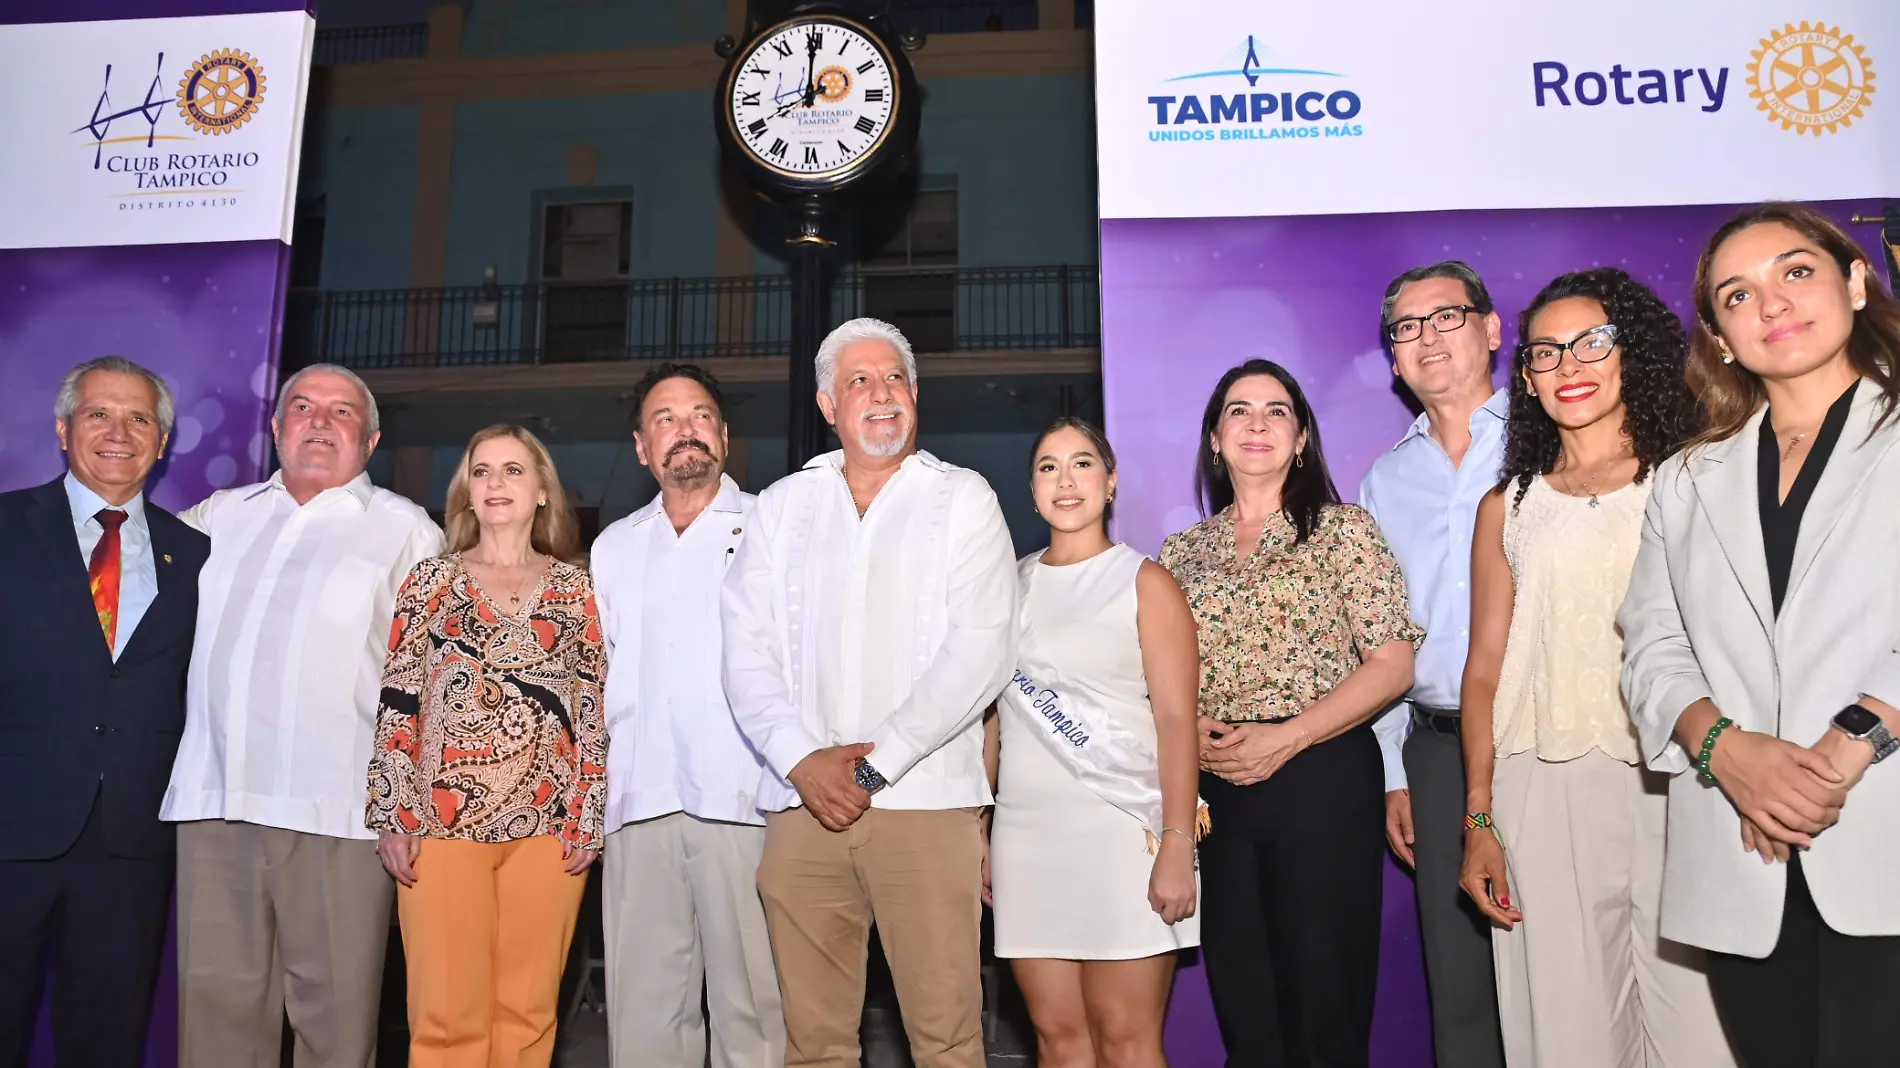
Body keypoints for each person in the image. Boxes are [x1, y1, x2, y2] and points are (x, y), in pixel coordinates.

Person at [1620, 202, 1900, 1068]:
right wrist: (1725, 752)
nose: (1772, 302)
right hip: (1739, 855)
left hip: (1881, 822)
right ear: (1722, 337)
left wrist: (1850, 745)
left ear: (1856, 281)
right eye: (1738, 295)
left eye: (1796, 272)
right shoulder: (1687, 478)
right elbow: (1650, 643)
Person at [722, 317, 1017, 1068]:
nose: (879, 394)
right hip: (802, 811)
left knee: (947, 1039)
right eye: (859, 380)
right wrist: (799, 759)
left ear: (915, 395)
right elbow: (743, 649)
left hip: (925, 802)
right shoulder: (781, 506)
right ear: (828, 405)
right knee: (814, 1045)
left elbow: (981, 650)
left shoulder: (963, 498)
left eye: (893, 379)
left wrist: (873, 765)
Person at [1456, 269, 1731, 1066]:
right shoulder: (1507, 506)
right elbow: (1483, 670)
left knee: (1705, 1032)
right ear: (1529, 377)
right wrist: (1479, 819)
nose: (1569, 364)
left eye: (1591, 343)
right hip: (1541, 785)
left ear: (1632, 353)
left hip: (1687, 779)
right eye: (1546, 352)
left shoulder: (1698, 476)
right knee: (1568, 1033)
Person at [163, 363, 445, 1067]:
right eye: (303, 406)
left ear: (371, 439)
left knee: (337, 1032)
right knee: (215, 1029)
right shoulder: (215, 517)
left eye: (342, 411)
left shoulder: (407, 531)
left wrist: (405, 807)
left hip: (341, 816)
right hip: (215, 805)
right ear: (276, 426)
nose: (320, 421)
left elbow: (433, 684)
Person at [1160, 359, 1422, 1067]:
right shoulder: (1181, 554)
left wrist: (1289, 736)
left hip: (1322, 779)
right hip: (1219, 795)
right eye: (1239, 411)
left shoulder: (1345, 531)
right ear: (1214, 437)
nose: (1257, 424)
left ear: (1301, 437)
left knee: (1324, 1007)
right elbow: (1159, 680)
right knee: (1247, 1011)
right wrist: (1190, 736)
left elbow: (1393, 662)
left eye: (1277, 411)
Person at [368, 423, 606, 1067]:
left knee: (528, 1012)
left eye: (512, 470)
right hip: (440, 828)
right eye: (481, 471)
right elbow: (398, 700)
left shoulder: (577, 589)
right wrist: (392, 813)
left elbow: (592, 711)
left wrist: (588, 815)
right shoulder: (429, 582)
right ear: (466, 495)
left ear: (542, 494)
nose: (495, 483)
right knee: (446, 1013)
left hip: (548, 829)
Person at [0, 358, 210, 1067]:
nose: (118, 432)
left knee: (107, 1038)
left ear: (161, 442)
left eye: (139, 418)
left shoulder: (197, 553)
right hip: (8, 829)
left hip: (132, 841)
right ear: (63, 430)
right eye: (98, 414)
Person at [987, 417, 1201, 1068]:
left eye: (1082, 463)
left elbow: (1175, 722)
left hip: (1123, 837)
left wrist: (1177, 844)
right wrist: (977, 829)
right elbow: (992, 719)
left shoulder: (1146, 583)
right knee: (1058, 1041)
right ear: (1030, 491)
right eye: (1048, 467)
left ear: (1110, 483)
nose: (1066, 480)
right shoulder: (1005, 589)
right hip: (1026, 843)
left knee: (1126, 1041)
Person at [591, 364, 784, 1068]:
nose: (684, 431)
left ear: (725, 437)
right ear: (642, 447)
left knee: (756, 1016)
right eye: (665, 420)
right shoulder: (613, 547)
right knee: (645, 1022)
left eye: (700, 414)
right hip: (639, 803)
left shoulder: (771, 525)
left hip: (746, 801)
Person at [1357, 261, 1509, 1068]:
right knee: (1461, 987)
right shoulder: (1386, 479)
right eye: (1406, 328)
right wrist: (1393, 771)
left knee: (1567, 966)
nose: (1426, 338)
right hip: (1435, 748)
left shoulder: (1552, 439)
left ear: (1491, 330)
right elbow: (1380, 640)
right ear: (1393, 361)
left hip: (1543, 739)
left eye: (1446, 316)